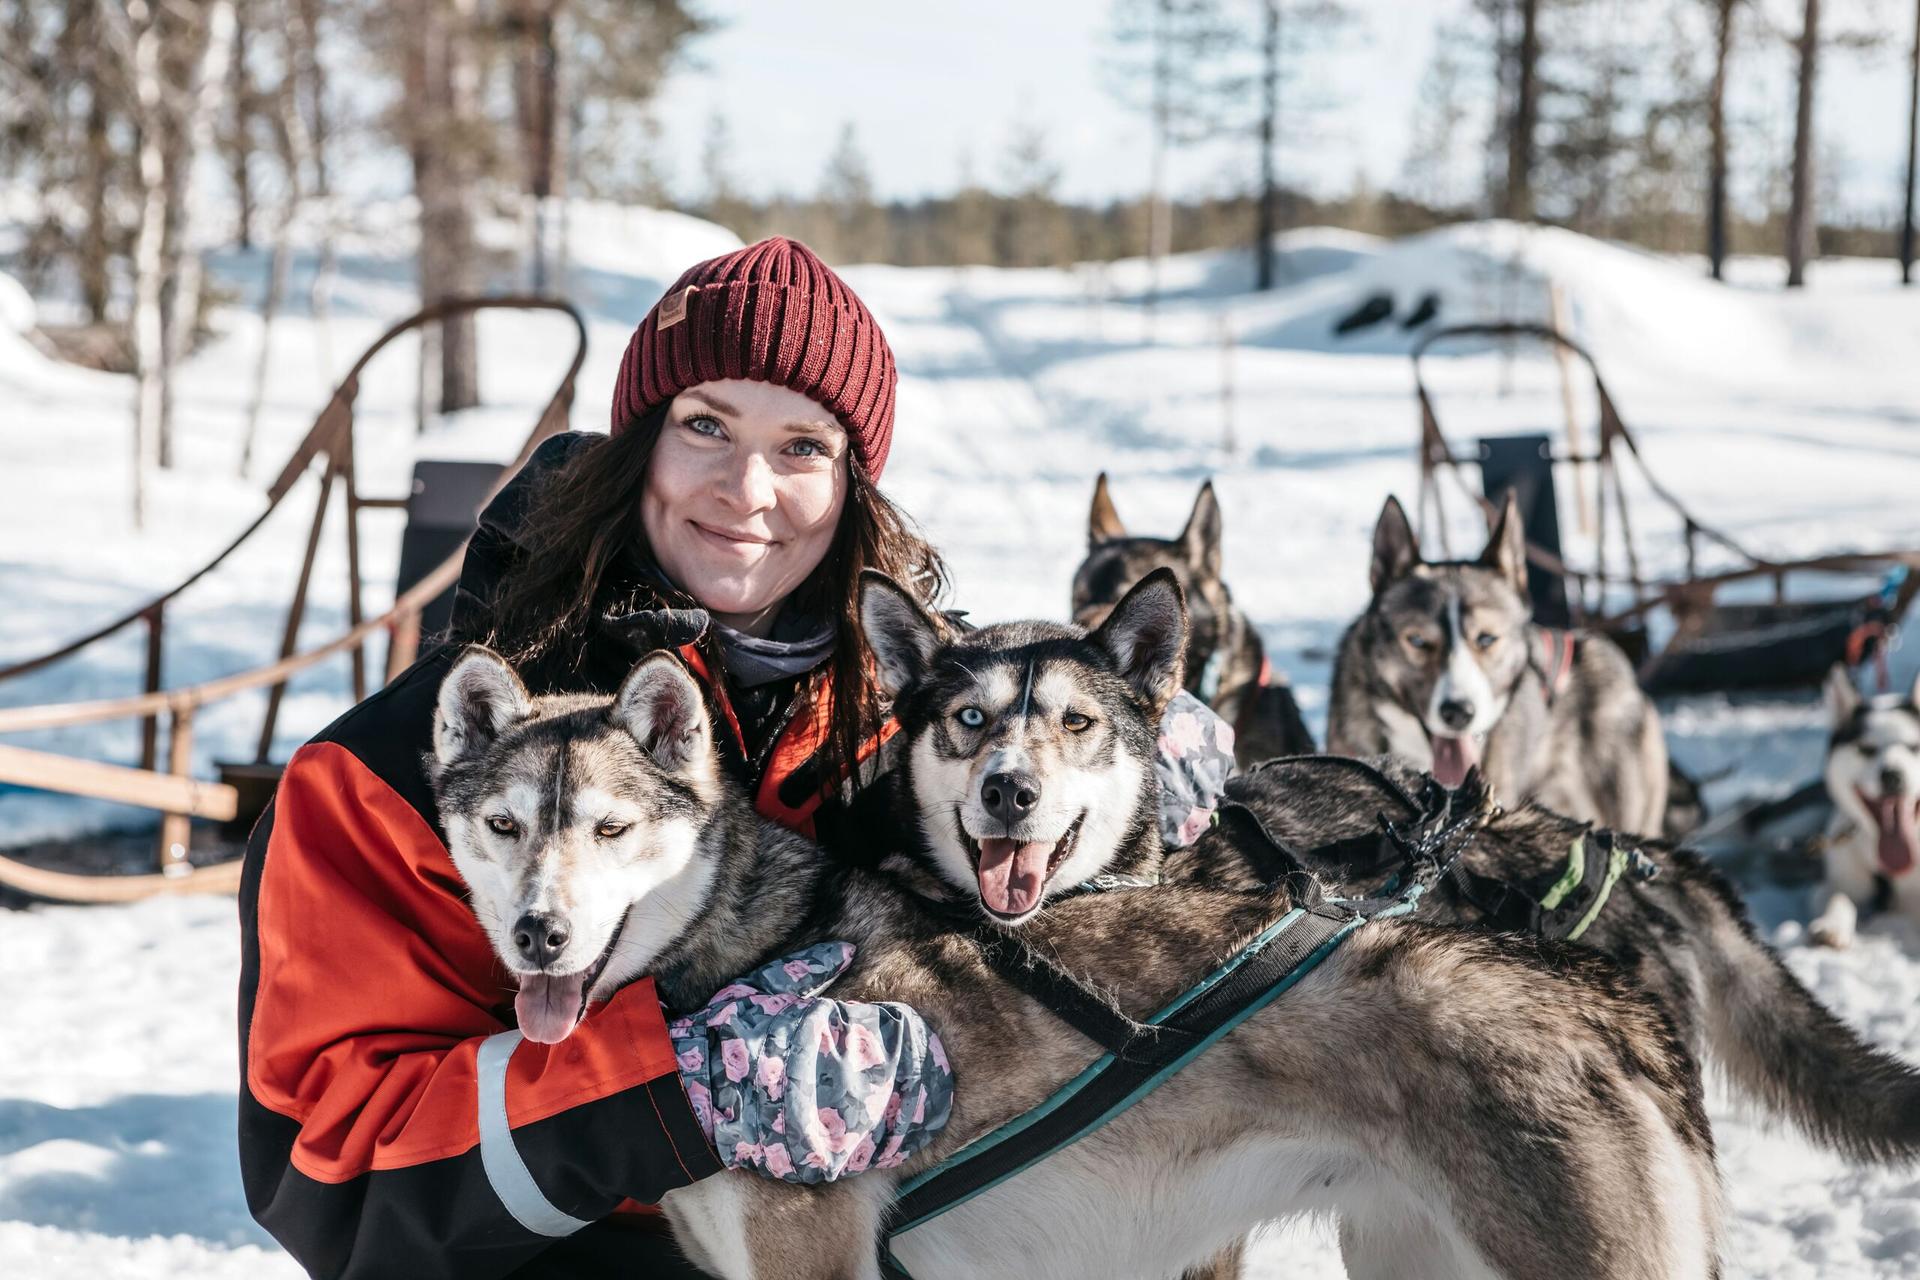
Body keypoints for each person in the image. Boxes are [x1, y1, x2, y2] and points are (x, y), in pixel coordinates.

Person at [238, 238, 958, 1280]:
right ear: (638, 448)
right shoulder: (387, 774)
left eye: (804, 446)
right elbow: (336, 1172)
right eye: (704, 424)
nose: (747, 488)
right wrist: (665, 1093)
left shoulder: (908, 724)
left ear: (853, 487)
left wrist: (1128, 794)